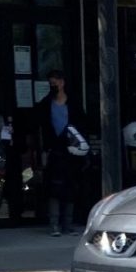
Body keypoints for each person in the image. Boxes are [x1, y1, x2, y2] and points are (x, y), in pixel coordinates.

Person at [33, 73, 88, 234]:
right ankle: (55, 223)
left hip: (71, 149)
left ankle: (67, 223)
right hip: (54, 150)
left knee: (70, 188)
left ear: (62, 83)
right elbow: (40, 125)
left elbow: (82, 124)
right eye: (51, 84)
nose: (53, 86)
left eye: (55, 83)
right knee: (54, 188)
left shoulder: (74, 104)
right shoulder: (46, 104)